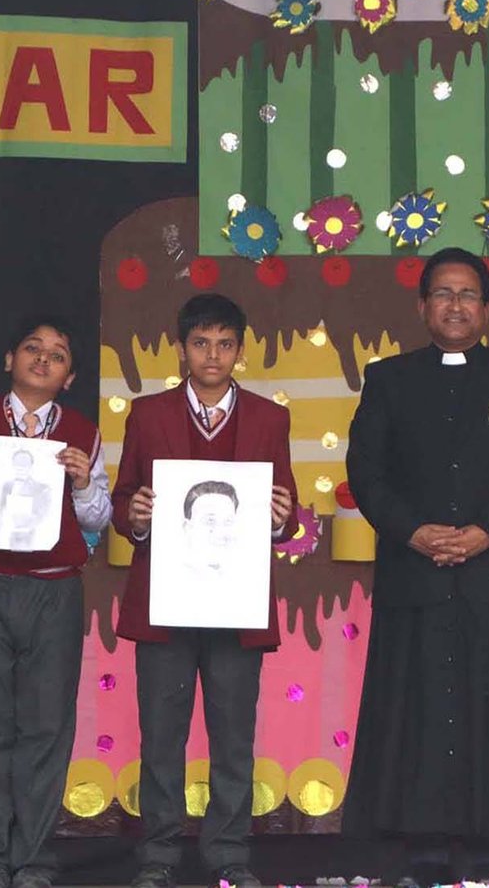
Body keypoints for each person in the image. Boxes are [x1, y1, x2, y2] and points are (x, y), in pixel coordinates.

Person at [342, 247, 489, 887]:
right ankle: (422, 844)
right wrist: (413, 531)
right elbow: (366, 471)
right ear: (422, 307)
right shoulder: (388, 379)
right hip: (415, 575)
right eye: (443, 293)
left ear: (487, 309)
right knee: (417, 706)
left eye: (468, 294)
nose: (456, 305)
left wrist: (487, 531)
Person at [113, 294, 297, 888]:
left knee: (234, 737)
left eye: (224, 344)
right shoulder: (147, 414)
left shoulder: (270, 419)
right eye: (200, 344)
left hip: (236, 602)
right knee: (161, 736)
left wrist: (280, 519)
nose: (212, 355)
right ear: (181, 349)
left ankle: (228, 854)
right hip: (164, 601)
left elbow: (286, 511)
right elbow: (124, 500)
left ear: (241, 350)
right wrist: (136, 516)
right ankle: (158, 854)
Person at [0, 316, 113, 888]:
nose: (43, 358)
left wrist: (83, 482)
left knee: (46, 725)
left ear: (69, 377)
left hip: (53, 588)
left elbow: (99, 518)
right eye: (32, 348)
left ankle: (32, 857)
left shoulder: (83, 432)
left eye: (57, 355)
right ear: (9, 359)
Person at [0, 448, 56, 551]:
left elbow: (44, 517)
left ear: (31, 466)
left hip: (32, 543)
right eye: (17, 463)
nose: (20, 467)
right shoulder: (6, 486)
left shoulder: (43, 489)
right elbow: (0, 514)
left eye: (24, 464)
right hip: (4, 543)